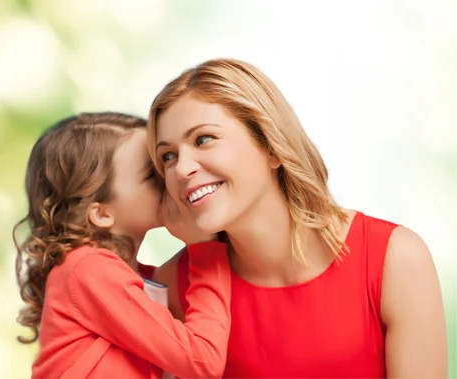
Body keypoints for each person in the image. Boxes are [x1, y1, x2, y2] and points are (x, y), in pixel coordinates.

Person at [147, 59, 448, 378]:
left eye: (203, 139)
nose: (181, 169)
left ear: (272, 146)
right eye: (168, 156)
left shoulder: (395, 260)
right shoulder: (173, 286)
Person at [13, 112, 231, 378]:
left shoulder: (140, 277)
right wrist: (204, 248)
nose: (172, 175)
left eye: (165, 161)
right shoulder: (88, 269)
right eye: (152, 174)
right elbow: (202, 362)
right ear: (101, 213)